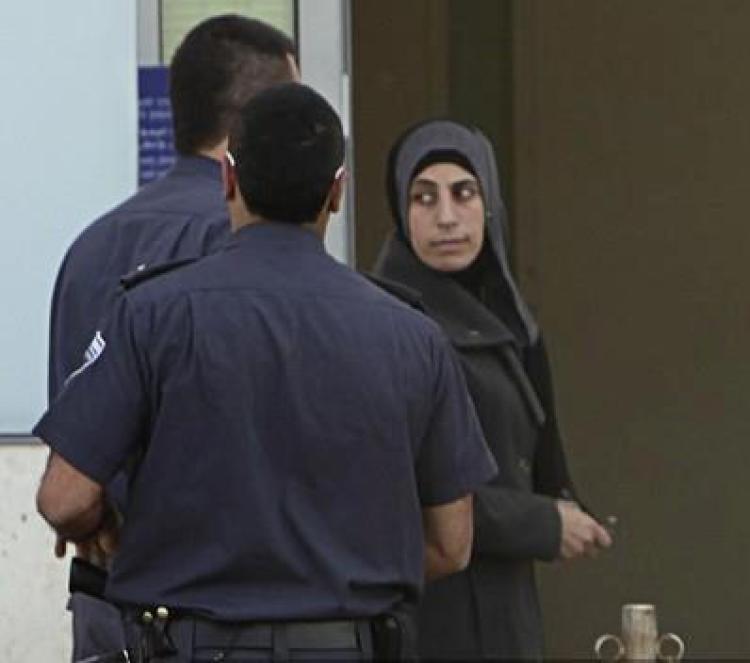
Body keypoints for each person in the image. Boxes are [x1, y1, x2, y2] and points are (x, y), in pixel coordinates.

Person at [33, 84, 498, 662]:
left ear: (228, 179)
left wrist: (112, 533)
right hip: (347, 645)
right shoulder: (413, 336)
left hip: (191, 644)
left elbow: (64, 499)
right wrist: (337, 580)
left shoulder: (151, 314)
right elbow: (452, 544)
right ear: (337, 192)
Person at [45, 15, 299, 660]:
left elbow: (73, 439)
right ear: (260, 122)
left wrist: (99, 519)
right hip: (217, 613)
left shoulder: (89, 247)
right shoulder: (248, 246)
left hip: (104, 595)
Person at [372, 119, 613, 660]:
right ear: (401, 212)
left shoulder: (506, 320)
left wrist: (564, 504)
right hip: (431, 624)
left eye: (464, 193)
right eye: (423, 198)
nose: (446, 217)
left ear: (490, 204)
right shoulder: (391, 326)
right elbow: (405, 493)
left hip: (503, 615)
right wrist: (541, 523)